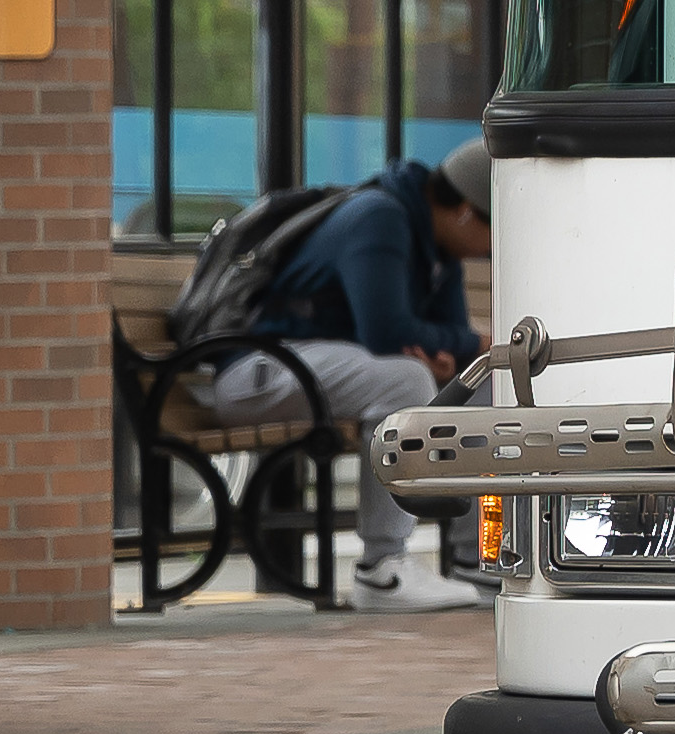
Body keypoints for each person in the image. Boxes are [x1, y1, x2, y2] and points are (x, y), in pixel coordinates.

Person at [198, 135, 495, 610]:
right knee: (407, 378)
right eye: (494, 230)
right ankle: (381, 569)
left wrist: (455, 354)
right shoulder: (381, 216)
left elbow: (446, 334)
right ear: (465, 210)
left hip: (322, 369)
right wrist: (470, 344)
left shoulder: (439, 248)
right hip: (258, 370)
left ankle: (477, 561)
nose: (492, 247)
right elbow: (385, 331)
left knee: (484, 377)